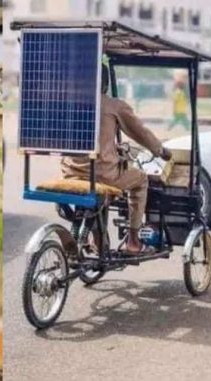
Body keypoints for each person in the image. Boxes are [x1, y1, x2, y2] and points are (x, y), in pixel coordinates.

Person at [62, 65, 172, 254]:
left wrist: (112, 148)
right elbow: (141, 133)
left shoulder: (69, 103)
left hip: (70, 172)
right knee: (141, 179)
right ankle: (133, 241)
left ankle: (98, 241)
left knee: (100, 186)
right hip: (101, 175)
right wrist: (160, 150)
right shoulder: (113, 106)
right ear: (105, 83)